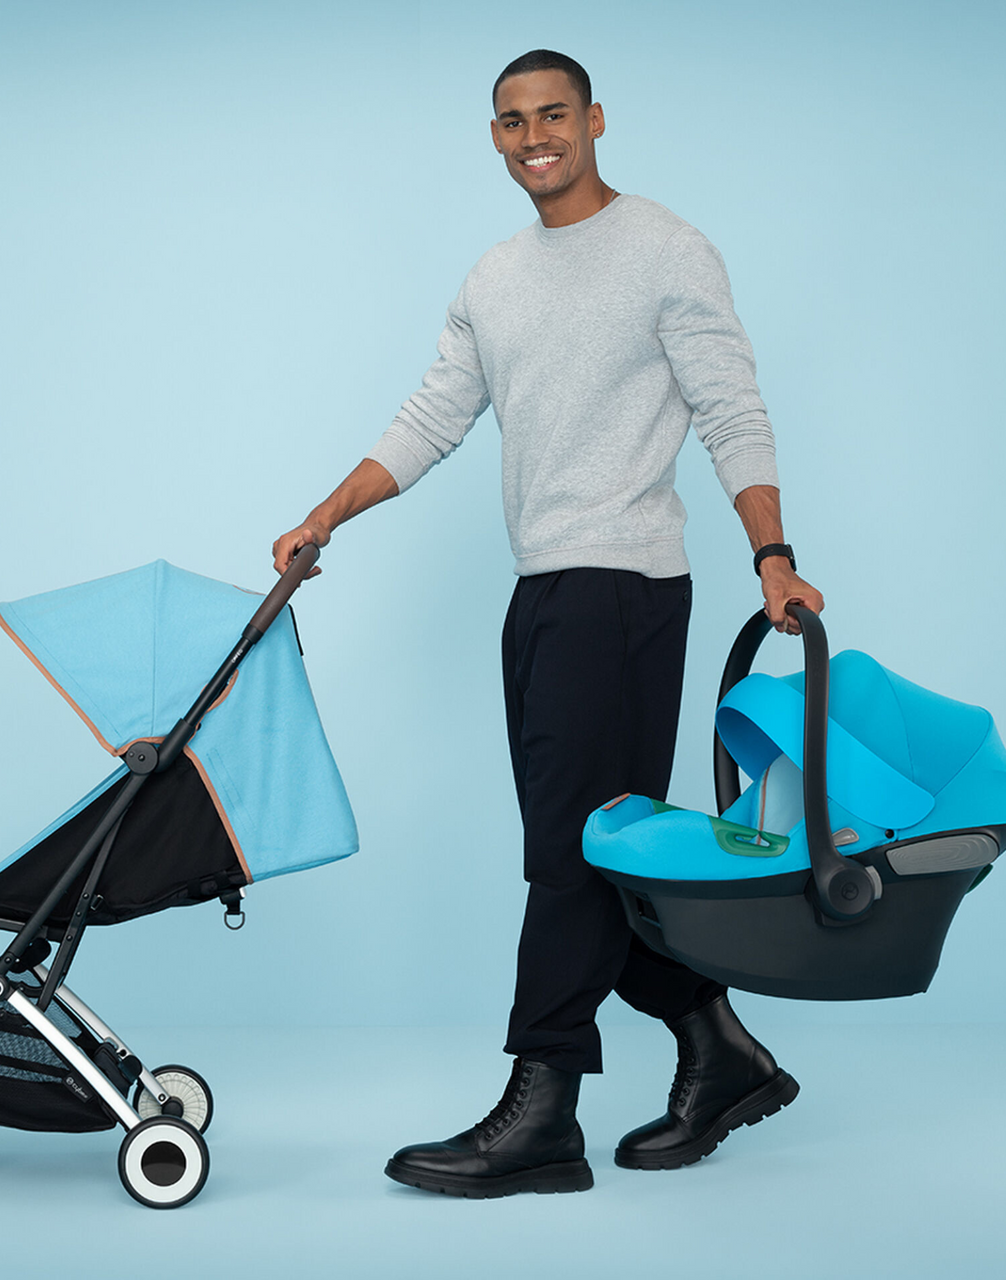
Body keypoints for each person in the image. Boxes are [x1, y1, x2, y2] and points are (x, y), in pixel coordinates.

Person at [272, 49, 825, 1198]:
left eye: (554, 115)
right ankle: (718, 1051)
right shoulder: (494, 276)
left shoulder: (667, 249)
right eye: (513, 121)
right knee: (590, 851)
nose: (535, 136)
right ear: (495, 136)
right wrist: (326, 513)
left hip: (623, 586)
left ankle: (542, 1108)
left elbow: (731, 409)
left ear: (595, 121)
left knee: (571, 857)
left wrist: (769, 555)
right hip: (541, 592)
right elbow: (433, 413)